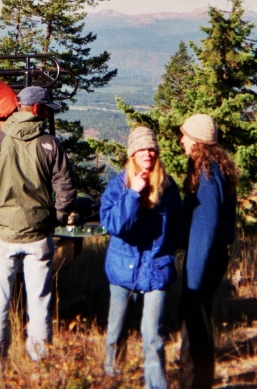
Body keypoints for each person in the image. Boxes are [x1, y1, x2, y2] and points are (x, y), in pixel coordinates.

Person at [0, 86, 76, 383]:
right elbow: (66, 190)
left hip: (4, 236)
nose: (48, 112)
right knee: (39, 305)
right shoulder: (49, 144)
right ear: (37, 109)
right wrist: (53, 220)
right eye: (47, 108)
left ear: (20, 107)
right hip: (38, 236)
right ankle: (40, 372)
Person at [99, 127, 181, 389]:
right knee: (116, 333)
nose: (148, 153)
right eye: (142, 149)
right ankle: (113, 381)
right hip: (123, 270)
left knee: (153, 337)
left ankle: (155, 386)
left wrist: (167, 254)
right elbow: (114, 226)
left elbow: (178, 229)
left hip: (156, 269)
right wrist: (133, 193)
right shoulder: (118, 186)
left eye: (152, 148)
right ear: (132, 154)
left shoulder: (168, 188)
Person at [177, 113, 238, 389]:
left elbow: (205, 232)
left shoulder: (208, 176)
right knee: (200, 321)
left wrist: (192, 280)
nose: (181, 140)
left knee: (194, 325)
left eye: (185, 136)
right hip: (214, 258)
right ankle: (199, 380)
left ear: (197, 141)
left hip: (204, 260)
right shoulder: (216, 168)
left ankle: (193, 383)